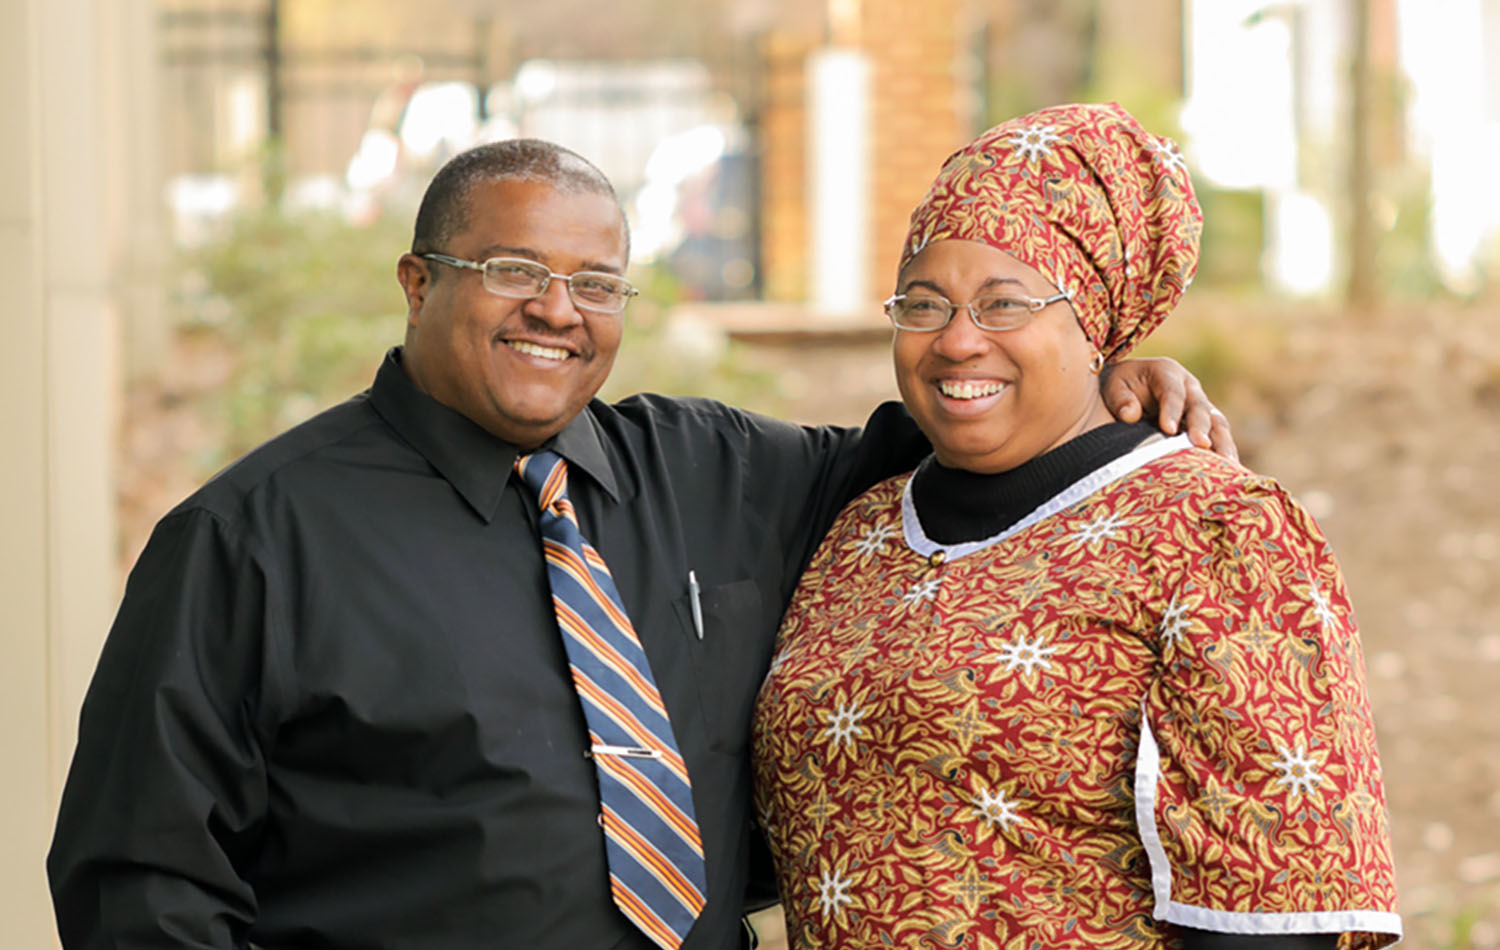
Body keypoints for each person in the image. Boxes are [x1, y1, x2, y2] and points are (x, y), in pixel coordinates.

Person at [48, 137, 1234, 950]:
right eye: (513, 269)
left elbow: (957, 431)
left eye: (595, 281)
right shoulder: (249, 540)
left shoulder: (717, 474)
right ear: (416, 282)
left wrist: (1098, 383)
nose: (558, 309)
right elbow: (142, 881)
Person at [751, 103, 1400, 950]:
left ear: (1094, 326)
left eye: (1004, 305)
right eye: (923, 304)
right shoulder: (860, 525)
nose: (956, 342)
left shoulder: (1213, 533)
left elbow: (1280, 911)